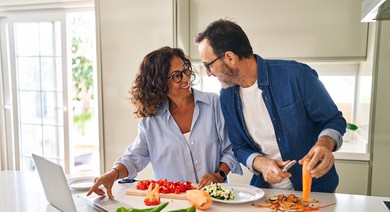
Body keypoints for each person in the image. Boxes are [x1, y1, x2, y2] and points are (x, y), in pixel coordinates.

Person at [195, 19, 346, 193]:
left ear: (229, 57)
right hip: (265, 193)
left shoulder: (296, 76)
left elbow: (334, 120)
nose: (208, 73)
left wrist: (325, 144)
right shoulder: (227, 96)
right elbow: (239, 147)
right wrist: (262, 164)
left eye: (209, 65)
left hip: (315, 189)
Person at [87, 46, 242, 198]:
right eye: (176, 75)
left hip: (213, 199)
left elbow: (231, 148)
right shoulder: (151, 122)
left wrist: (219, 175)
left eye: (186, 69)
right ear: (159, 83)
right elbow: (134, 158)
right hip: (173, 202)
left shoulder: (213, 104)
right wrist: (112, 174)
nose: (186, 78)